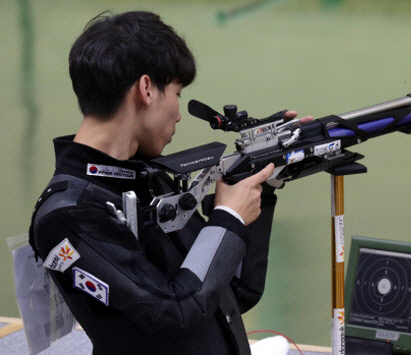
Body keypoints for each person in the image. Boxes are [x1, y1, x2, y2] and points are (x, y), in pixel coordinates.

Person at [29, 10, 308, 355]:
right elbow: (174, 311)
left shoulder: (148, 180)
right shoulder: (68, 215)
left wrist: (260, 183)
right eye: (176, 92)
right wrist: (227, 219)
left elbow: (231, 293)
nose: (177, 112)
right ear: (146, 89)